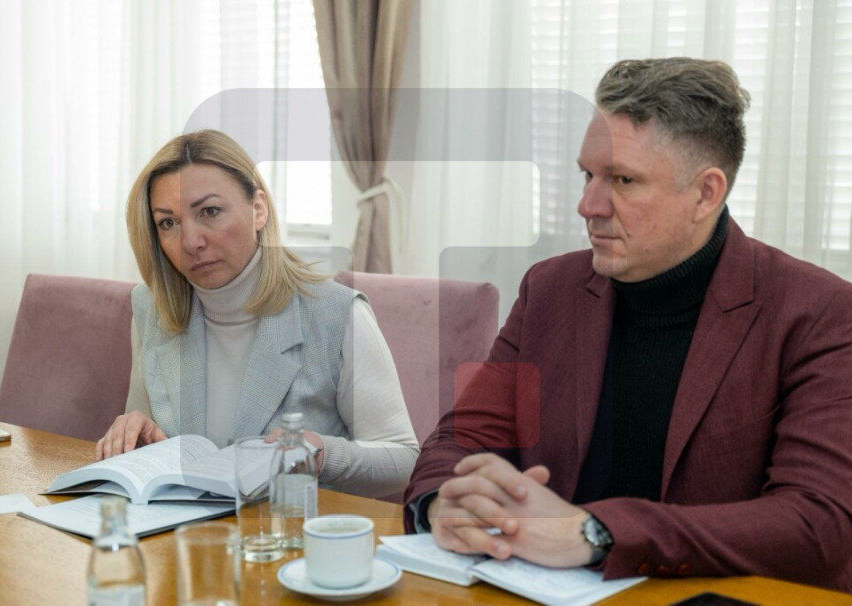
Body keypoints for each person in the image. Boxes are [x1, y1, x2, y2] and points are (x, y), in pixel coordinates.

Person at [404, 57, 852, 591]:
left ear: (706, 193)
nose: (588, 205)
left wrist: (595, 533)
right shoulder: (550, 288)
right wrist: (446, 503)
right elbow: (462, 438)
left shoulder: (820, 311)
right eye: (587, 175)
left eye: (622, 180)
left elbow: (817, 523)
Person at [96, 129, 419, 498]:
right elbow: (146, 436)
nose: (191, 242)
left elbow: (404, 460)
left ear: (258, 210)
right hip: (184, 532)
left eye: (210, 212)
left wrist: (321, 455)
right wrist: (135, 435)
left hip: (292, 528)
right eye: (168, 223)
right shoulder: (151, 308)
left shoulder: (337, 313)